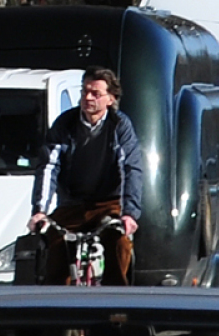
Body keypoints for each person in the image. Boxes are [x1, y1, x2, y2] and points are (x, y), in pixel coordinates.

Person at [27, 67, 142, 286]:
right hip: (73, 203)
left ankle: (116, 302)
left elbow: (130, 168)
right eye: (84, 92)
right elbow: (49, 166)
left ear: (111, 99)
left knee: (119, 244)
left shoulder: (120, 126)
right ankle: (59, 307)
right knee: (56, 248)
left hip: (108, 204)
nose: (88, 98)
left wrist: (129, 214)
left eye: (95, 94)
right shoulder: (65, 124)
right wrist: (39, 211)